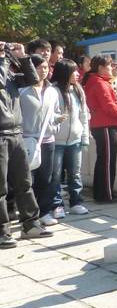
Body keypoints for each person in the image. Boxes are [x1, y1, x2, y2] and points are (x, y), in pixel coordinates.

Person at [0, 42, 52, 246]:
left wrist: (22, 57)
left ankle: (30, 225)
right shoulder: (3, 68)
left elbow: (32, 79)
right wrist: (3, 59)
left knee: (24, 182)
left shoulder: (8, 71)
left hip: (16, 133)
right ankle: (2, 232)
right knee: (1, 188)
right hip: (1, 134)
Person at [20, 54, 64, 227]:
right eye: (39, 67)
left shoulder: (52, 91)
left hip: (48, 140)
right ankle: (28, 214)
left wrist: (56, 123)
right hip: (27, 140)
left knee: (46, 178)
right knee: (27, 180)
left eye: (46, 67)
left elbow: (55, 113)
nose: (43, 71)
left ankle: (43, 212)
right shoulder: (22, 90)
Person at [82, 56, 117, 202]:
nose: (112, 68)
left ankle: (102, 194)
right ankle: (106, 195)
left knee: (103, 161)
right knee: (107, 162)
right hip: (104, 125)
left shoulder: (96, 81)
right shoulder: (99, 83)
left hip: (101, 125)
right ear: (101, 68)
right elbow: (109, 107)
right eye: (110, 65)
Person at [51, 59, 90, 217]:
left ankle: (76, 202)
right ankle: (57, 205)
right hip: (56, 141)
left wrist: (85, 137)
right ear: (64, 73)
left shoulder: (78, 90)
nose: (77, 74)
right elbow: (48, 115)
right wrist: (56, 119)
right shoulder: (52, 91)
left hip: (75, 140)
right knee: (55, 175)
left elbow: (84, 115)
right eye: (73, 71)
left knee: (75, 173)